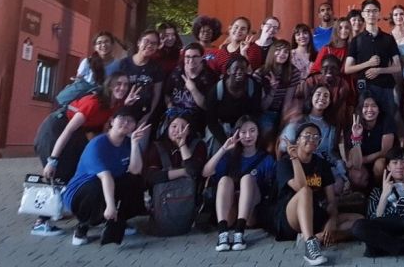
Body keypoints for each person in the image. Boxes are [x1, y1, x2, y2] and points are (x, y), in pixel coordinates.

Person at [30, 72, 138, 236]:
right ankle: (41, 221)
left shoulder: (114, 104)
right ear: (109, 85)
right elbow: (68, 129)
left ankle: (94, 214)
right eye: (118, 84)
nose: (122, 88)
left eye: (125, 84)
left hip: (76, 136)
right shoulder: (93, 102)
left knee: (80, 171)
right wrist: (53, 159)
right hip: (55, 131)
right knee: (58, 173)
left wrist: (127, 103)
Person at [274, 121, 363, 265]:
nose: (312, 139)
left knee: (359, 220)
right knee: (305, 191)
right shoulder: (284, 163)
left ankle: (318, 237)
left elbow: (331, 199)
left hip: (314, 213)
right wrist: (294, 158)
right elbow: (301, 187)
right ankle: (310, 245)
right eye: (307, 136)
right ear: (297, 140)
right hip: (290, 216)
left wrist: (332, 220)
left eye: (316, 137)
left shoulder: (322, 164)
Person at [62, 105, 150, 247]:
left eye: (131, 121)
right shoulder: (97, 144)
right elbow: (105, 176)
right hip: (81, 192)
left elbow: (135, 171)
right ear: (112, 121)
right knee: (97, 185)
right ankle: (83, 225)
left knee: (135, 181)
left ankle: (118, 221)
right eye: (122, 119)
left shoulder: (129, 143)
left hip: (108, 186)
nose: (126, 123)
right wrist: (110, 206)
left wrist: (134, 144)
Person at [203, 114, 276, 252]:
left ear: (258, 132)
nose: (248, 135)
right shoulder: (230, 157)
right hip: (230, 212)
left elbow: (270, 188)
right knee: (225, 180)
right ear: (237, 133)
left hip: (251, 213)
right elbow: (206, 172)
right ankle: (223, 233)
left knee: (247, 179)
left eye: (252, 130)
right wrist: (224, 148)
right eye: (243, 132)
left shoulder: (266, 158)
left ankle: (239, 233)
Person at [143, 112, 208, 234]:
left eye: (183, 127)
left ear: (189, 130)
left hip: (189, 201)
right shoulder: (157, 146)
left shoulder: (198, 145)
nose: (178, 130)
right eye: (174, 126)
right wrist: (183, 172)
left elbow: (194, 171)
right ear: (167, 128)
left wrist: (182, 144)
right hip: (162, 202)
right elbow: (151, 177)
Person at [279, 85, 348, 195]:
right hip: (302, 163)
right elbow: (283, 146)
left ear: (329, 101)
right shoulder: (299, 120)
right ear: (311, 97)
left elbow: (331, 152)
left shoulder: (331, 125)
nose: (322, 98)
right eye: (318, 94)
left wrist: (339, 165)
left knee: (338, 184)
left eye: (326, 96)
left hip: (322, 166)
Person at [344, 0, 401, 121]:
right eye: (368, 11)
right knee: (365, 122)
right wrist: (368, 64)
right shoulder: (356, 40)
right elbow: (348, 68)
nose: (371, 14)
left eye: (375, 11)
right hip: (365, 88)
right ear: (363, 14)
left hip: (386, 87)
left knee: (387, 121)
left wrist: (379, 70)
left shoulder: (388, 39)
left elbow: (397, 67)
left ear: (379, 14)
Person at [109, 29, 165, 137]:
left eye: (154, 44)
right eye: (146, 41)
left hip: (143, 118)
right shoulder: (123, 64)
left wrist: (148, 116)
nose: (149, 45)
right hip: (121, 115)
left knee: (137, 150)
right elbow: (113, 90)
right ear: (139, 42)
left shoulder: (157, 68)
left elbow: (156, 95)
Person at [162, 41, 219, 138]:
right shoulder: (177, 72)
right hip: (174, 117)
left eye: (195, 56)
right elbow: (167, 94)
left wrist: (193, 89)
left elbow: (207, 106)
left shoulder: (210, 76)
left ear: (201, 57)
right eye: (188, 57)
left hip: (196, 121)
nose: (191, 60)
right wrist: (170, 108)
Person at [205, 55, 263, 145]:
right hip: (222, 126)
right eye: (236, 68)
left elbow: (256, 113)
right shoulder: (217, 90)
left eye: (243, 69)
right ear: (228, 71)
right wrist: (225, 142)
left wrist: (243, 132)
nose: (239, 72)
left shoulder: (253, 87)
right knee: (216, 145)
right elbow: (212, 121)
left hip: (245, 125)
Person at [346, 91, 396, 191]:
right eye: (366, 106)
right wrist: (356, 136)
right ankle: (362, 195)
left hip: (382, 160)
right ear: (361, 108)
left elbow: (385, 152)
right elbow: (356, 163)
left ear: (379, 108)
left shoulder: (386, 120)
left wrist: (364, 160)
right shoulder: (355, 124)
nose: (369, 109)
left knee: (380, 165)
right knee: (356, 174)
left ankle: (380, 192)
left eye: (373, 106)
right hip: (363, 164)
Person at [257, 39, 302, 137]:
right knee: (268, 130)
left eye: (286, 51)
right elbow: (262, 107)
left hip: (282, 111)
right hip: (264, 112)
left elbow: (287, 101)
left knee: (289, 134)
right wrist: (273, 89)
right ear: (272, 51)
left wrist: (283, 124)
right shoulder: (260, 73)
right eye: (278, 50)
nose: (282, 54)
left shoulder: (293, 72)